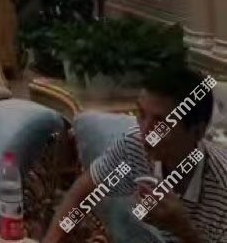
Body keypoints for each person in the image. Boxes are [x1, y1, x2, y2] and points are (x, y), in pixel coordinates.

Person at [44, 66, 227, 243]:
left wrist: (183, 229)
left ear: (197, 132)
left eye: (161, 123)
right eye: (141, 114)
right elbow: (83, 194)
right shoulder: (135, 146)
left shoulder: (221, 183)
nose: (145, 131)